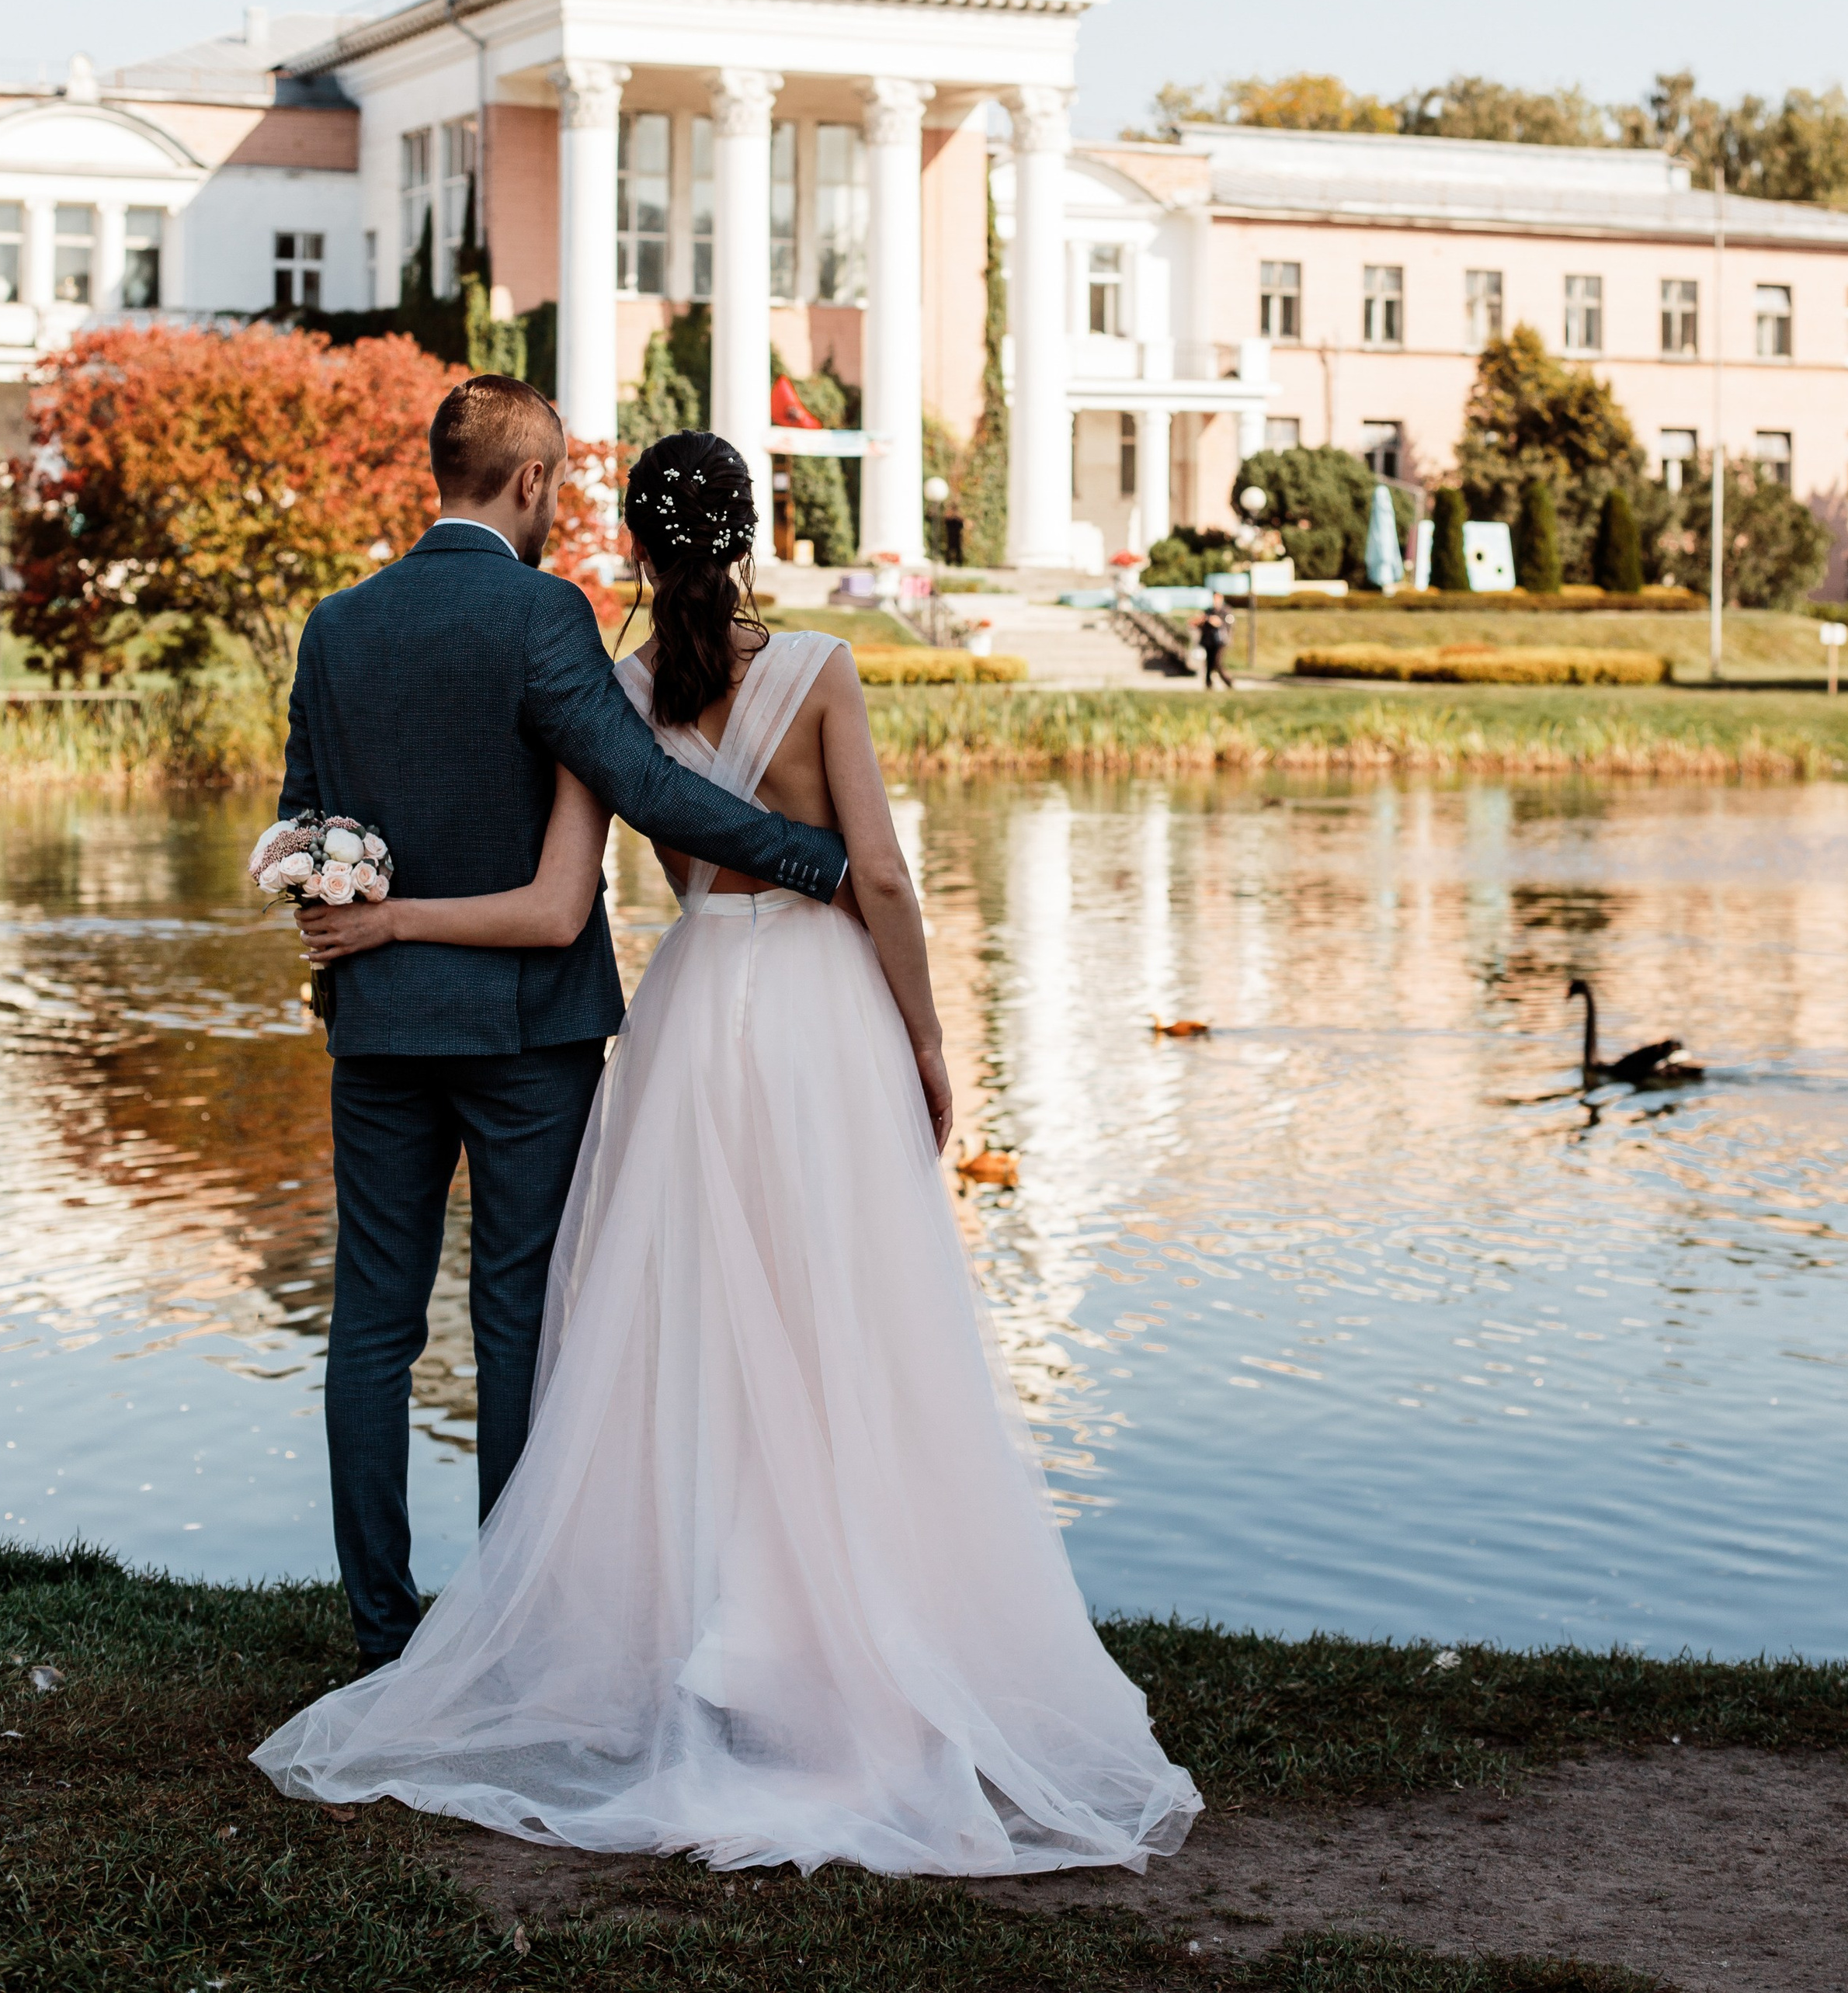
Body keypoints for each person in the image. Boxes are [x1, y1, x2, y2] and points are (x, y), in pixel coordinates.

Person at [255, 431, 1200, 1880]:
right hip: (811, 1008)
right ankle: (821, 1623)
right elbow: (876, 868)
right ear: (753, 531)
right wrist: (927, 1030)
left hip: (690, 1019)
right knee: (830, 1317)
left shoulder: (608, 685)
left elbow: (580, 843)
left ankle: (551, 1626)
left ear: (630, 538)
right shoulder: (810, 666)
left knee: (667, 1331)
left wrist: (363, 913)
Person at [280, 377, 849, 1672]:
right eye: (555, 488)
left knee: (371, 1323)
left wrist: (344, 916)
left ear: (444, 472)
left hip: (376, 1024)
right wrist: (812, 862)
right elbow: (641, 782)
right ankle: (513, 1626)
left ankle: (382, 1630)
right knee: (519, 1317)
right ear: (530, 483)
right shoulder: (544, 614)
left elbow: (303, 823)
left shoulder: (336, 626)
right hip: (529, 1041)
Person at [1198, 589, 1235, 689]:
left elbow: (1228, 624)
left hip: (1221, 641)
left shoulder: (1226, 611)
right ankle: (1208, 684)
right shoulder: (1209, 611)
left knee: (1217, 662)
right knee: (1209, 663)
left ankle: (1228, 681)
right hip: (1209, 641)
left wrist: (1217, 622)